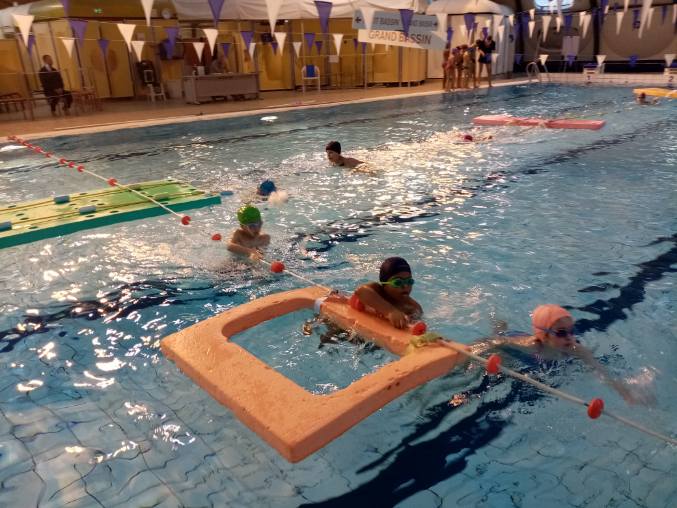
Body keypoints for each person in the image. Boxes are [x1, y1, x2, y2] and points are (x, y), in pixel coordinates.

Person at [475, 304, 654, 405]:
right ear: (544, 335)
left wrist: (625, 393)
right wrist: (471, 351)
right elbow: (495, 342)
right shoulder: (531, 345)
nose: (569, 337)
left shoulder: (576, 349)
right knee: (500, 343)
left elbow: (600, 371)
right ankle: (499, 324)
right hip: (520, 350)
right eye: (561, 333)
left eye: (571, 330)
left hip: (544, 361)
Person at [353, 257, 423, 329]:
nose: (405, 286)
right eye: (398, 282)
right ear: (384, 284)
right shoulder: (377, 290)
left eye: (409, 282)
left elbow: (415, 327)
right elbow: (360, 291)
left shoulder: (412, 308)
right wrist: (391, 311)